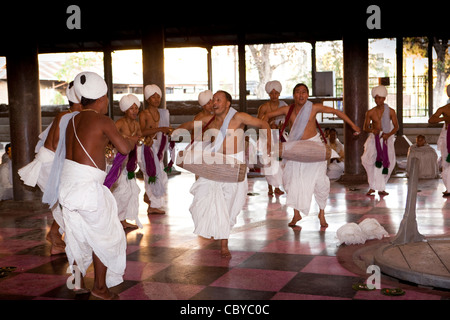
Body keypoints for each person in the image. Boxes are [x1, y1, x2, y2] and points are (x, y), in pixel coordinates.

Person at [58, 71, 139, 300]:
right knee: (106, 237)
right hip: (88, 189)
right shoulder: (103, 120)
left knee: (76, 235)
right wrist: (133, 140)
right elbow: (124, 148)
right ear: (102, 98)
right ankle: (100, 289)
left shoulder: (72, 120)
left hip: (68, 186)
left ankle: (77, 282)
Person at [172, 90, 271, 258]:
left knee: (231, 204)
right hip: (215, 164)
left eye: (218, 100)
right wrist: (173, 131)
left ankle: (223, 236)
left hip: (234, 165)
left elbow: (263, 124)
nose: (215, 103)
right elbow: (190, 125)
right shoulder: (209, 120)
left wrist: (268, 143)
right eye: (213, 100)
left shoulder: (238, 117)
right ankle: (223, 241)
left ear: (227, 104)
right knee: (207, 198)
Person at [264, 83, 360, 228]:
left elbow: (336, 112)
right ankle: (296, 213)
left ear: (307, 95)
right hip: (295, 148)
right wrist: (266, 132)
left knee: (320, 181)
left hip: (314, 148)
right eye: (297, 92)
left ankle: (321, 213)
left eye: (304, 92)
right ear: (294, 95)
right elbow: (266, 116)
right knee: (290, 179)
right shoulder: (287, 109)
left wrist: (353, 125)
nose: (301, 95)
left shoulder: (313, 108)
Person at [18, 81, 83, 255]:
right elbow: (56, 144)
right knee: (68, 201)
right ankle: (56, 235)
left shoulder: (72, 116)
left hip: (53, 162)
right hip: (49, 163)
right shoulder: (65, 116)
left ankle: (56, 238)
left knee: (67, 202)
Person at [109, 94, 143, 229]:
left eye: (136, 108)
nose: (135, 111)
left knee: (130, 191)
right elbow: (111, 139)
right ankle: (115, 220)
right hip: (118, 160)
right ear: (124, 109)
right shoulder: (119, 123)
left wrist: (141, 140)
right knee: (121, 190)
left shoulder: (136, 124)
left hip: (129, 161)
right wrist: (126, 138)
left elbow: (139, 138)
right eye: (131, 108)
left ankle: (122, 219)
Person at [138, 84, 172, 214]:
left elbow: (166, 129)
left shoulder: (163, 113)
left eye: (158, 96)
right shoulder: (144, 114)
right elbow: (142, 131)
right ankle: (152, 205)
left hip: (159, 147)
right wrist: (160, 129)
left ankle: (151, 199)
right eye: (153, 97)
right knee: (151, 175)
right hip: (148, 147)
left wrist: (170, 131)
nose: (156, 99)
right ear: (147, 99)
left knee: (161, 175)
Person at [361, 85, 399, 196]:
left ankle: (381, 187)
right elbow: (365, 127)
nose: (377, 100)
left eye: (379, 98)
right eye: (375, 98)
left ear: (384, 98)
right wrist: (372, 130)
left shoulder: (391, 111)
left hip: (387, 138)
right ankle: (372, 186)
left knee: (387, 163)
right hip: (374, 139)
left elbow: (396, 127)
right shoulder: (370, 112)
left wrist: (388, 135)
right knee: (369, 161)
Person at [257, 80, 286, 196]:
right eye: (272, 93)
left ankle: (277, 187)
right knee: (268, 162)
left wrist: (280, 126)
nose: (274, 96)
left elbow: (288, 121)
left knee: (279, 163)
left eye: (276, 93)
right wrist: (269, 125)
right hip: (267, 137)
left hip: (279, 136)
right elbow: (259, 123)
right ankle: (270, 187)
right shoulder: (263, 108)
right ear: (268, 94)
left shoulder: (284, 106)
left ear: (279, 94)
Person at [429, 89, 450, 195]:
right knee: (446, 162)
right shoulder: (444, 109)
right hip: (447, 137)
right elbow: (431, 120)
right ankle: (449, 188)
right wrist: (445, 118)